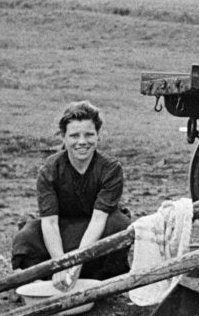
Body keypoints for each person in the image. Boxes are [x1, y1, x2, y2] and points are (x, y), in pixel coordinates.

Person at [12, 101, 131, 289]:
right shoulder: (50, 169)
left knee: (120, 225)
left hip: (96, 231)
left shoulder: (111, 169)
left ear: (98, 135)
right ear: (63, 137)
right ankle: (45, 278)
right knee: (27, 235)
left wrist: (76, 261)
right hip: (62, 230)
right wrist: (61, 263)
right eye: (74, 135)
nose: (82, 142)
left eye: (89, 135)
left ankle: (100, 280)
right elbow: (50, 222)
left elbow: (98, 220)